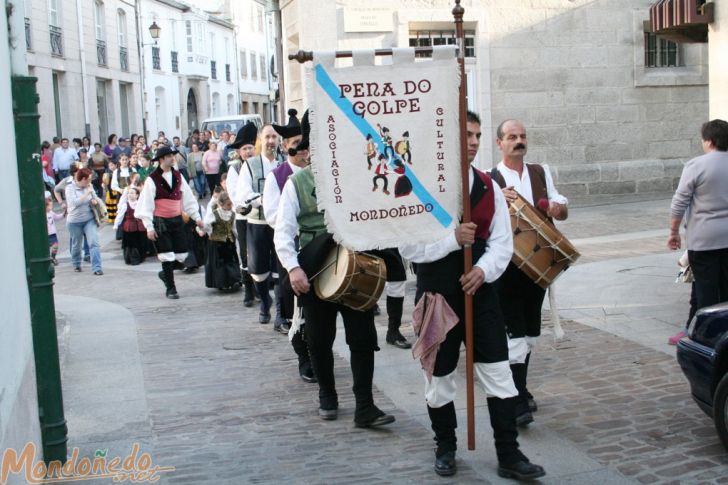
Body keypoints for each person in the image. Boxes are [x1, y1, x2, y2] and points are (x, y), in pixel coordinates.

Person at [399, 111, 545, 480]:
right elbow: (408, 246)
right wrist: (452, 241)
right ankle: (445, 447)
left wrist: (482, 270)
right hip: (437, 298)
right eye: (467, 134)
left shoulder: (488, 186)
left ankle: (509, 455)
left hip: (480, 295)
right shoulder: (419, 186)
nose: (474, 141)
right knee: (439, 378)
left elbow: (502, 243)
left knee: (499, 373)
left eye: (478, 134)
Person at [274, 112, 395, 429]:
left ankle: (365, 406)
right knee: (318, 338)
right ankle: (327, 395)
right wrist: (293, 269)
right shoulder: (296, 184)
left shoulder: (358, 179)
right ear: (309, 151)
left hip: (355, 268)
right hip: (315, 270)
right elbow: (283, 232)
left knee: (363, 337)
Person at [491, 118, 568, 428]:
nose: (518, 141)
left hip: (538, 264)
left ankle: (519, 387)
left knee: (531, 332)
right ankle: (518, 398)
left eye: (522, 136)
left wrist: (556, 208)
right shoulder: (490, 178)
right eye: (511, 136)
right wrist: (499, 199)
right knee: (514, 331)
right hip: (507, 267)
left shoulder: (540, 171)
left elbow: (561, 203)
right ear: (500, 143)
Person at [262, 110, 316, 382]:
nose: (302, 148)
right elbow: (272, 214)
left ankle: (319, 352)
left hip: (318, 247)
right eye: (296, 142)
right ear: (287, 146)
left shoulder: (319, 173)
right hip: (291, 247)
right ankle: (303, 357)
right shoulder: (278, 176)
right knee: (296, 303)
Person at [668, 119, 728, 315]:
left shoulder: (696, 165)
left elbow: (680, 201)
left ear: (709, 141)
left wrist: (673, 232)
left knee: (706, 290)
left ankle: (705, 334)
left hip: (704, 238)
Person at [234, 119, 286, 323]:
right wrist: (263, 199)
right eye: (267, 137)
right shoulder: (250, 165)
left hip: (281, 225)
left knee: (281, 268)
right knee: (258, 270)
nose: (271, 141)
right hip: (258, 224)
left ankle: (281, 313)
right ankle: (265, 301)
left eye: (274, 137)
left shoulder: (283, 163)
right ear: (260, 140)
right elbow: (243, 193)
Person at [136, 146, 204, 298]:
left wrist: (197, 218)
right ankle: (171, 288)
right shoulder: (152, 179)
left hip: (177, 219)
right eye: (169, 156)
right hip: (161, 220)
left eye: (173, 156)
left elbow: (188, 199)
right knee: (166, 254)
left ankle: (165, 273)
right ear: (161, 159)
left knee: (181, 255)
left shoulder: (178, 176)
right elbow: (146, 204)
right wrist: (149, 227)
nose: (173, 158)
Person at [226, 122, 259, 307]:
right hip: (244, 216)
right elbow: (234, 193)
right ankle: (248, 290)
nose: (248, 152)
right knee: (246, 253)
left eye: (250, 148)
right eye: (245, 149)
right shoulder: (235, 169)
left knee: (261, 252)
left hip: (261, 216)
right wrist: (245, 205)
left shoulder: (260, 165)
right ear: (239, 152)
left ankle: (259, 287)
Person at [65, 168, 104, 275]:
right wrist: (87, 194)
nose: (90, 182)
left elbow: (95, 197)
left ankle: (97, 268)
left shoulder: (89, 186)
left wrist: (96, 201)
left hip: (89, 219)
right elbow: (74, 203)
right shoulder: (70, 188)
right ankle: (76, 263)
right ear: (83, 179)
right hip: (74, 221)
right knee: (76, 244)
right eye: (89, 180)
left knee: (94, 243)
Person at [203, 191, 242, 290]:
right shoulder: (215, 213)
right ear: (221, 204)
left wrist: (240, 240)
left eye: (231, 204)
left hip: (229, 243)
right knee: (220, 264)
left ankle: (234, 280)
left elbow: (234, 228)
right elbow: (206, 224)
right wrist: (210, 232)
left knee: (231, 261)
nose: (230, 206)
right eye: (228, 204)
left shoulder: (232, 214)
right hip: (217, 243)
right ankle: (222, 283)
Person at [114, 185, 149, 265]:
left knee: (141, 242)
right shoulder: (125, 205)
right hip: (129, 227)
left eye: (132, 193)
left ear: (137, 195)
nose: (130, 195)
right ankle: (132, 259)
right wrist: (116, 225)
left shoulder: (140, 204)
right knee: (131, 244)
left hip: (140, 227)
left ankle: (141, 257)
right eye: (129, 193)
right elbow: (120, 216)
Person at [46, 193, 65, 266]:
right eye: (49, 206)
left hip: (52, 233)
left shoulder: (51, 213)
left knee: (55, 245)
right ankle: (48, 258)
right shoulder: (43, 214)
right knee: (47, 247)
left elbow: (57, 217)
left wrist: (63, 214)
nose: (51, 207)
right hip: (46, 234)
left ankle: (53, 257)